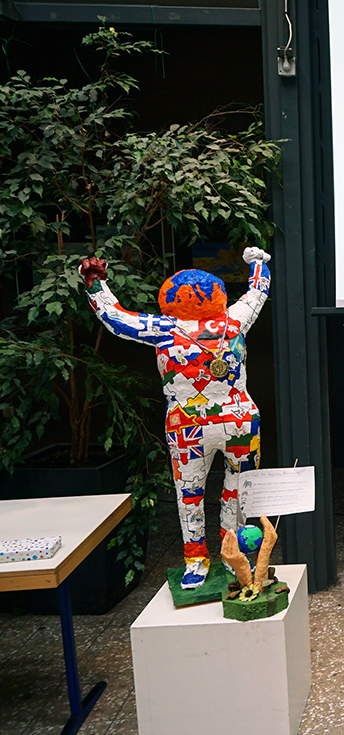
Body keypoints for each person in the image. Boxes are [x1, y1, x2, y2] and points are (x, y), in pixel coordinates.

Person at [79, 247, 271, 589]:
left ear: (168, 298)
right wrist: (257, 262)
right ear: (218, 295)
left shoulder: (163, 328)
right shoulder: (233, 321)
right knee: (238, 492)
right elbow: (257, 292)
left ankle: (197, 561)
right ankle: (231, 556)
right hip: (239, 420)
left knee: (191, 495)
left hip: (188, 426)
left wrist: (95, 283)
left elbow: (116, 318)